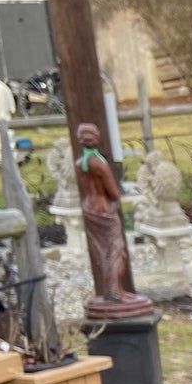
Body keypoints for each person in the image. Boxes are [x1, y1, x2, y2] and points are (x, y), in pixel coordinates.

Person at [76, 122, 152, 317]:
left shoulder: (80, 163)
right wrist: (117, 200)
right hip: (103, 208)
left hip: (88, 206)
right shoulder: (99, 163)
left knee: (102, 250)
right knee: (115, 249)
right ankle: (114, 292)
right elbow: (112, 190)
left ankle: (115, 290)